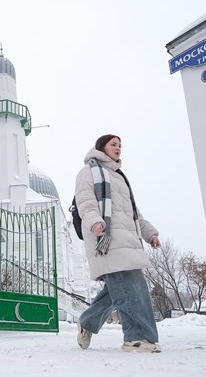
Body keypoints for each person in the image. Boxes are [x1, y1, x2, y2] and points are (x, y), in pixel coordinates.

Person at [74, 134, 162, 353]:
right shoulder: (88, 173)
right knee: (132, 289)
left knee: (118, 290)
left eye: (120, 145)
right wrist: (95, 222)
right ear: (102, 147)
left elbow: (133, 213)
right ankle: (137, 338)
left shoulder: (119, 177)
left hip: (128, 240)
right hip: (107, 239)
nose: (118, 148)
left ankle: (87, 322)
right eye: (113, 144)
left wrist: (150, 234)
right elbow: (86, 201)